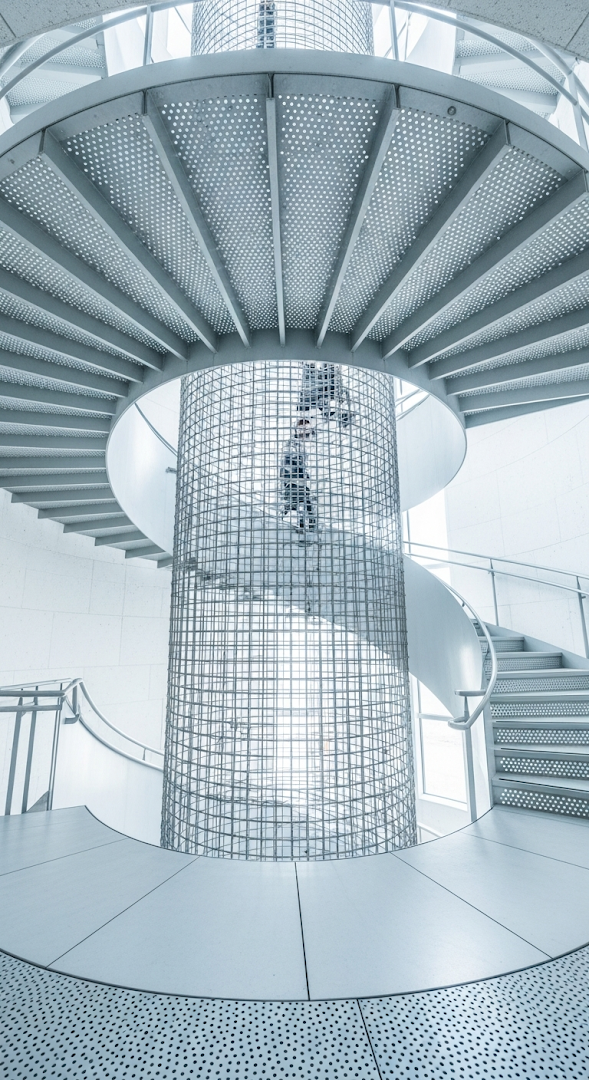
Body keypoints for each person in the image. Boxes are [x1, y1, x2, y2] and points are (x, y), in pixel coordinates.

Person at [280, 418, 317, 531]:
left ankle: (306, 525)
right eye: (301, 429)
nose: (304, 431)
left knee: (303, 503)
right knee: (299, 502)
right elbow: (287, 461)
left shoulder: (311, 444)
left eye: (306, 428)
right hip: (294, 481)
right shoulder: (292, 443)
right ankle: (303, 524)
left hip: (305, 483)